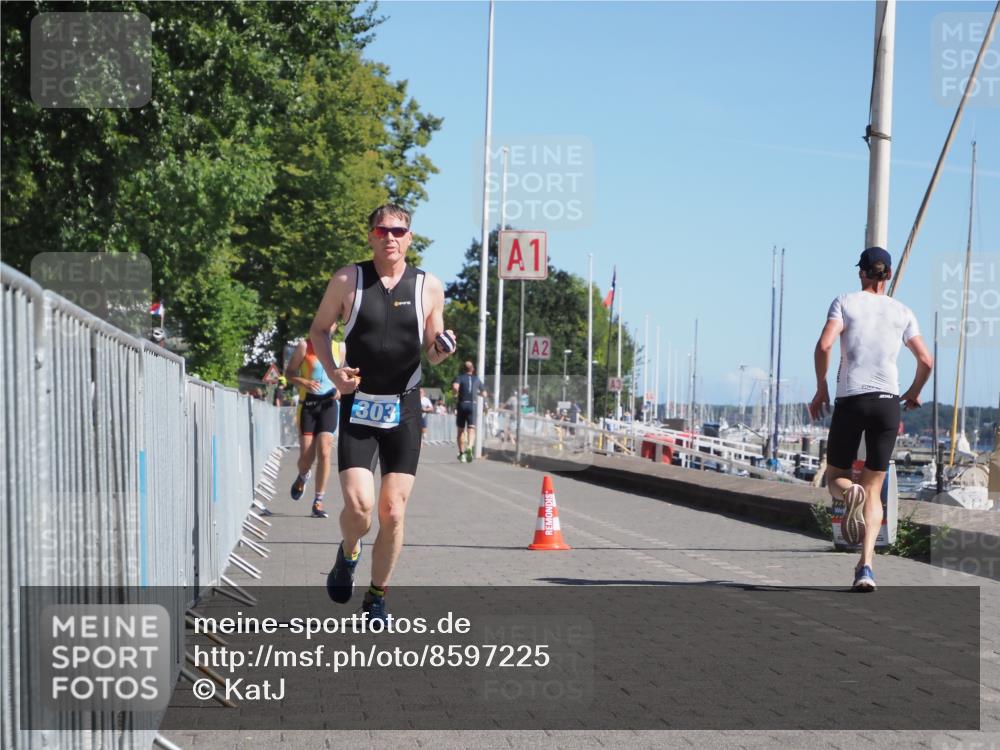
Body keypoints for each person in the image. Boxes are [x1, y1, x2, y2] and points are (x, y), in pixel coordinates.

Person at [308, 204, 456, 622]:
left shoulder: (429, 287)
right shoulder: (346, 280)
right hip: (359, 403)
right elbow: (319, 329)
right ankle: (349, 551)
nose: (390, 237)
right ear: (371, 236)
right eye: (381, 230)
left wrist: (442, 348)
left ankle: (376, 596)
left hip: (404, 408)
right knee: (359, 508)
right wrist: (336, 375)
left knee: (392, 510)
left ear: (410, 238)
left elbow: (433, 348)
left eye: (398, 230)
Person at [808, 247, 933, 592]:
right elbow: (926, 360)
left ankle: (851, 496)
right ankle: (866, 567)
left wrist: (820, 389)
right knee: (874, 492)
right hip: (887, 404)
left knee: (836, 480)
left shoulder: (845, 302)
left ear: (861, 273)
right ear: (888, 275)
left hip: (851, 400)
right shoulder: (903, 311)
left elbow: (824, 346)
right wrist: (913, 391)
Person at [284, 336, 346, 518]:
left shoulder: (340, 348)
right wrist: (303, 382)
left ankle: (318, 501)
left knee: (325, 452)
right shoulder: (305, 346)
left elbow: (346, 374)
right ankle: (303, 475)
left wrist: (341, 388)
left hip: (330, 404)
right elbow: (289, 373)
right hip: (308, 404)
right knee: (306, 456)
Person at [452, 360, 487, 463]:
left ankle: (462, 454)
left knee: (461, 430)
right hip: (473, 404)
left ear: (463, 369)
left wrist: (455, 393)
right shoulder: (477, 379)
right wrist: (478, 394)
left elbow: (455, 387)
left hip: (462, 403)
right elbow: (484, 393)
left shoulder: (460, 378)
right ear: (473, 369)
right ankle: (470, 447)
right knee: (471, 428)